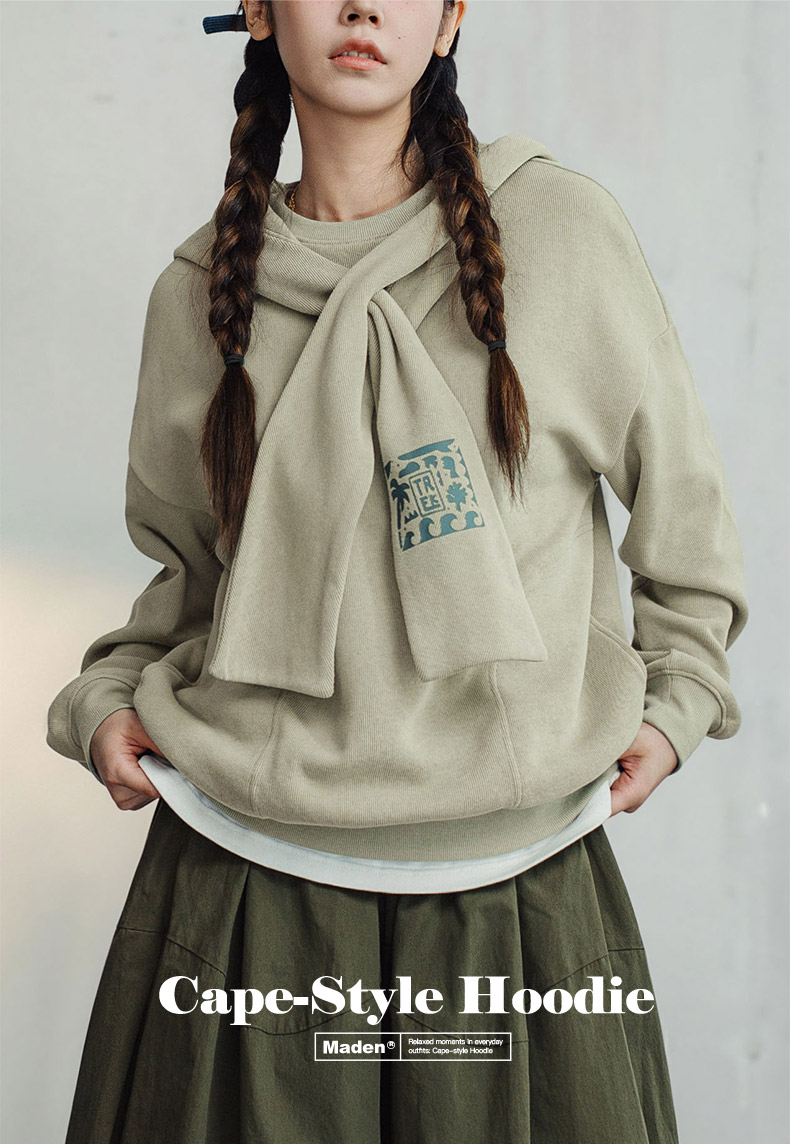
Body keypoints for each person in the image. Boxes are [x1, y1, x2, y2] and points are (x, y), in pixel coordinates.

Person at [45, 1, 749, 1141]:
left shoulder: (561, 232)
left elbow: (689, 527)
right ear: (259, 10)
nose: (365, 6)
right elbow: (185, 587)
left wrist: (679, 702)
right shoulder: (199, 289)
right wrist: (106, 702)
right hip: (244, 879)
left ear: (451, 18)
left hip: (515, 885)